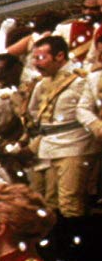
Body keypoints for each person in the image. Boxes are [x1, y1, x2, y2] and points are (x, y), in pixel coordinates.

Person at [25, 35, 95, 218]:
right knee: (50, 203)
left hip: (75, 145)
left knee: (70, 202)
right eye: (34, 58)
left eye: (41, 58)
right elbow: (33, 112)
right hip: (49, 146)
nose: (36, 64)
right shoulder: (42, 84)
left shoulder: (81, 81)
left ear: (59, 56)